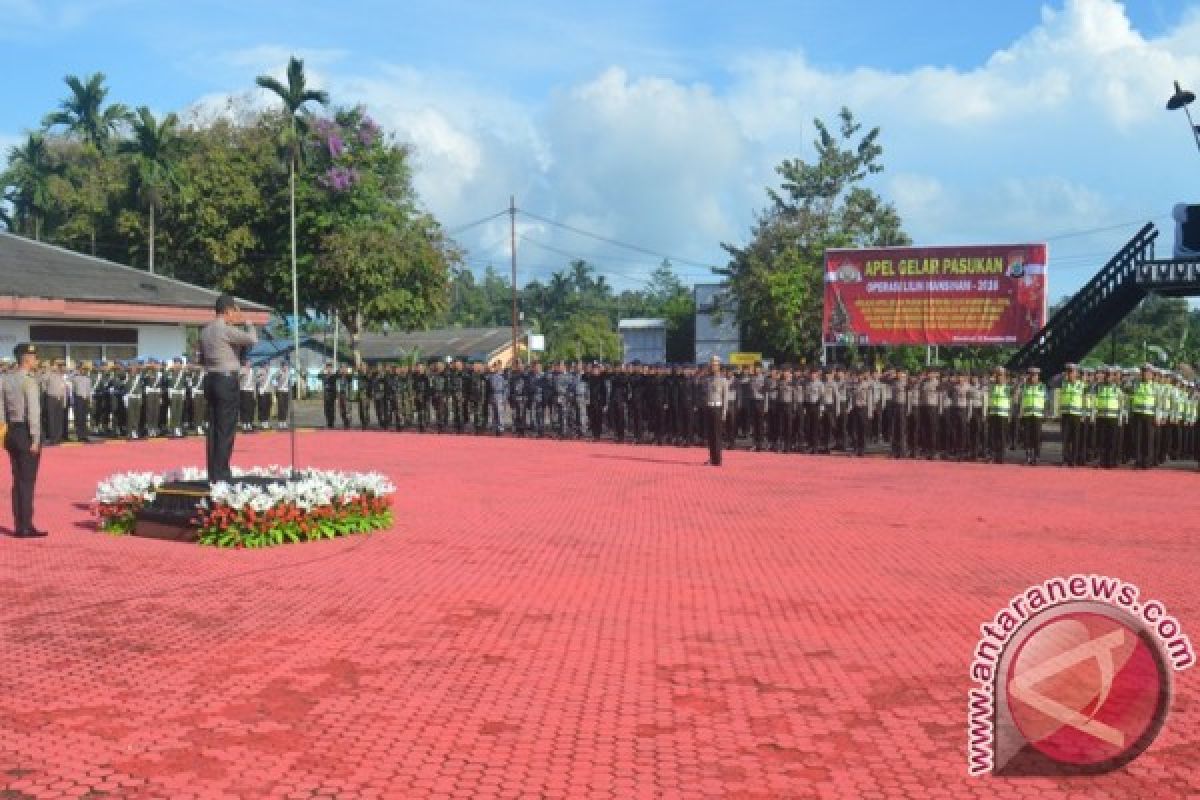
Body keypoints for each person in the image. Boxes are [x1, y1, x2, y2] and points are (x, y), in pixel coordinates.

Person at [200, 294, 257, 483]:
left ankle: (213, 473)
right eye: (235, 311)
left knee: (214, 428)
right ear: (228, 311)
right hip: (226, 381)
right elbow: (252, 339)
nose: (236, 315)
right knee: (226, 429)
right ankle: (222, 474)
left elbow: (201, 358)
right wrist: (248, 322)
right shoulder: (224, 329)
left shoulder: (205, 331)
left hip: (211, 379)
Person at [2, 344, 46, 537]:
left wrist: (4, 431)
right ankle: (25, 526)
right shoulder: (29, 381)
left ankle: (20, 523)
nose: (36, 360)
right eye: (34, 357)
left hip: (11, 432)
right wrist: (35, 438)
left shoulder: (5, 379)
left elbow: (1, 409)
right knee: (27, 481)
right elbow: (34, 413)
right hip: (26, 433)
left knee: (18, 479)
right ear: (26, 359)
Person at [701, 356, 729, 466]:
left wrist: (724, 413)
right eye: (712, 364)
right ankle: (712, 458)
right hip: (709, 408)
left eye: (716, 364)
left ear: (719, 366)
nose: (713, 366)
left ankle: (718, 460)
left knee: (717, 435)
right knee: (710, 435)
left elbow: (725, 398)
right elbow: (705, 395)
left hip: (718, 408)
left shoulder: (723, 380)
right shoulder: (707, 379)